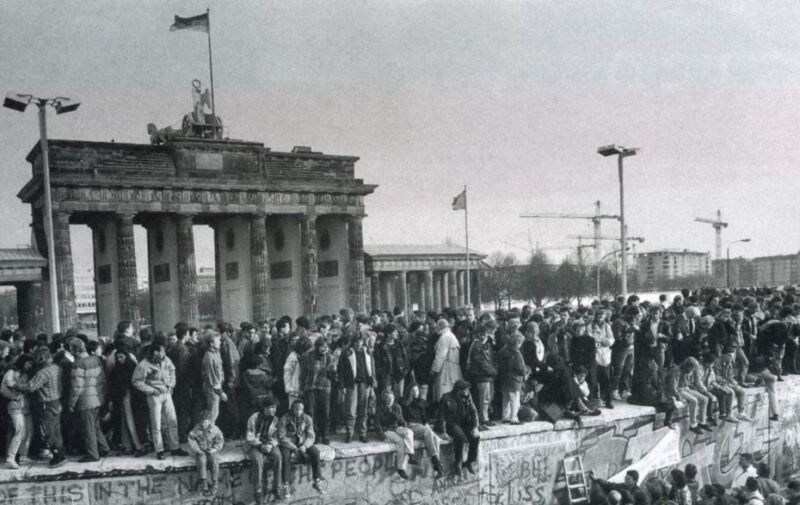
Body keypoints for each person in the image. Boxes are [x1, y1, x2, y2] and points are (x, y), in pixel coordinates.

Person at [132, 343, 188, 459]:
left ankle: (174, 447)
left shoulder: (165, 360)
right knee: (156, 423)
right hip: (154, 396)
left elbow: (172, 370)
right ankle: (159, 450)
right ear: (155, 353)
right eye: (163, 351)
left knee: (172, 421)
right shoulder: (143, 365)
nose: (165, 354)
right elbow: (136, 381)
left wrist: (171, 385)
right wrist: (151, 390)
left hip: (167, 394)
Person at [14, 347, 66, 467]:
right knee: (56, 429)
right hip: (57, 401)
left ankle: (57, 456)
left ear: (42, 358)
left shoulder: (43, 372)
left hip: (46, 403)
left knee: (48, 430)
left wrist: (15, 385)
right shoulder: (56, 368)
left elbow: (30, 387)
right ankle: (61, 453)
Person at [66, 337, 109, 463]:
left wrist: (71, 404)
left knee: (88, 428)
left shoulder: (78, 364)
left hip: (85, 401)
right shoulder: (96, 359)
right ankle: (104, 447)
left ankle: (93, 454)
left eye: (71, 349)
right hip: (97, 398)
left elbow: (76, 387)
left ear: (75, 350)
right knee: (95, 425)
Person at [277, 399, 324, 499]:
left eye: (301, 409)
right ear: (292, 409)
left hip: (302, 443)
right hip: (289, 444)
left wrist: (305, 446)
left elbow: (311, 436)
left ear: (303, 410)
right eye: (296, 409)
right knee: (285, 457)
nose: (298, 411)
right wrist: (293, 447)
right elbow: (281, 437)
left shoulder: (307, 419)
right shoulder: (285, 419)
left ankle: (317, 480)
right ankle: (285, 484)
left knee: (315, 452)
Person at [436, 379, 480, 477]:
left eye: (467, 390)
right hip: (451, 423)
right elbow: (441, 416)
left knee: (475, 437)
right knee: (460, 437)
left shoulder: (468, 397)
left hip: (464, 422)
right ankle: (458, 462)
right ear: (458, 390)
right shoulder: (446, 397)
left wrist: (475, 427)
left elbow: (474, 413)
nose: (466, 392)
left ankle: (470, 461)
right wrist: (443, 431)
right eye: (464, 390)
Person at [107, 346, 146, 456]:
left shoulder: (128, 367)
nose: (119, 359)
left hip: (128, 397)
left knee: (129, 421)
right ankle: (128, 445)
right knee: (125, 421)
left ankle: (136, 445)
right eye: (117, 357)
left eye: (121, 357)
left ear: (126, 356)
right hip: (124, 397)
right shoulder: (127, 366)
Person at [337, 333, 375, 443]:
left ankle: (363, 433)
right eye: (356, 342)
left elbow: (372, 368)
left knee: (363, 410)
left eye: (361, 342)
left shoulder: (368, 352)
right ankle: (350, 433)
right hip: (351, 383)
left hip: (365, 383)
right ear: (353, 342)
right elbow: (341, 370)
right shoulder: (347, 352)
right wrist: (342, 385)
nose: (359, 344)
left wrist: (373, 384)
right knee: (351, 409)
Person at [245, 397, 283, 504]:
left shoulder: (275, 419)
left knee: (278, 456)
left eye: (275, 408)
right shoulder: (254, 417)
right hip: (255, 444)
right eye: (271, 407)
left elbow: (277, 436)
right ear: (265, 408)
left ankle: (277, 486)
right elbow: (249, 436)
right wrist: (260, 445)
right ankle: (258, 491)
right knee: (258, 459)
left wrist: (271, 444)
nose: (274, 410)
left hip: (268, 444)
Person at [402, 384, 444, 478]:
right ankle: (436, 461)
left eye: (416, 390)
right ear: (409, 392)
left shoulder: (422, 401)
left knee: (436, 439)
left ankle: (438, 467)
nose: (415, 392)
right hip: (411, 427)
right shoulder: (405, 403)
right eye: (413, 390)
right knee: (427, 431)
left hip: (422, 426)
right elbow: (405, 418)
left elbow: (427, 415)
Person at [375, 390, 416, 480]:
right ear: (384, 399)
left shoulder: (397, 407)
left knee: (409, 432)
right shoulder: (380, 409)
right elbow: (377, 424)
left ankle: (411, 454)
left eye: (391, 398)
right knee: (401, 442)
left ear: (394, 399)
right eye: (387, 399)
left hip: (396, 428)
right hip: (387, 430)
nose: (389, 401)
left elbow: (401, 419)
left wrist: (405, 426)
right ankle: (401, 468)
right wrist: (381, 435)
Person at [1, 355, 33, 468]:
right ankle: (10, 458)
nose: (30, 365)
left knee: (28, 431)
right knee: (20, 431)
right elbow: (3, 388)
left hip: (24, 406)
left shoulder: (23, 373)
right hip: (15, 406)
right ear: (23, 362)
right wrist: (13, 396)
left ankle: (22, 455)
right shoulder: (11, 372)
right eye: (29, 363)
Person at [301, 337, 335, 445]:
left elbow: (332, 374)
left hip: (324, 387)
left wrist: (333, 370)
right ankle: (314, 435)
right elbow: (303, 373)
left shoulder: (329, 357)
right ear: (317, 347)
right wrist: (302, 388)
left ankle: (325, 434)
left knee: (325, 412)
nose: (324, 349)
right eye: (322, 346)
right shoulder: (308, 356)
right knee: (311, 411)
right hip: (311, 387)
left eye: (326, 346)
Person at [468, 318, 498, 429]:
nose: (483, 336)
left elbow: (491, 359)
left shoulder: (485, 345)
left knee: (488, 396)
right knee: (484, 398)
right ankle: (484, 418)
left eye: (484, 334)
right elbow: (480, 362)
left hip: (488, 375)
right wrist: (493, 370)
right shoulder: (477, 345)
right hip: (482, 375)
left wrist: (493, 370)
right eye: (481, 334)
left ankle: (485, 417)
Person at [496, 331, 527, 424]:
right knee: (514, 399)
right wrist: (526, 371)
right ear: (517, 343)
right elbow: (520, 368)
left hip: (504, 378)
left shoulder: (502, 351)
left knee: (505, 399)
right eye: (520, 343)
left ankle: (505, 417)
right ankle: (514, 418)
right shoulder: (516, 354)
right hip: (514, 379)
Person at [187, 418, 224, 496]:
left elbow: (220, 440)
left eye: (206, 422)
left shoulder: (215, 429)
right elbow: (191, 440)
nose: (204, 424)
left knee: (214, 461)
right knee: (201, 462)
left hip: (211, 450)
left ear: (210, 421)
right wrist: (198, 450)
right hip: (201, 451)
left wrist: (215, 449)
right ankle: (204, 484)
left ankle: (215, 483)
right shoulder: (196, 429)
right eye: (202, 422)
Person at [430, 319, 462, 402]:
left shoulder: (444, 337)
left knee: (444, 393)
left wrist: (434, 370)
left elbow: (440, 355)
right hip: (455, 369)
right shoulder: (452, 336)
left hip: (446, 370)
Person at [202, 331, 227, 424]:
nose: (220, 342)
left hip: (216, 389)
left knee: (214, 414)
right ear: (211, 343)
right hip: (212, 390)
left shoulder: (216, 353)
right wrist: (221, 393)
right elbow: (212, 379)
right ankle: (205, 436)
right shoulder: (209, 357)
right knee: (211, 416)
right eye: (218, 341)